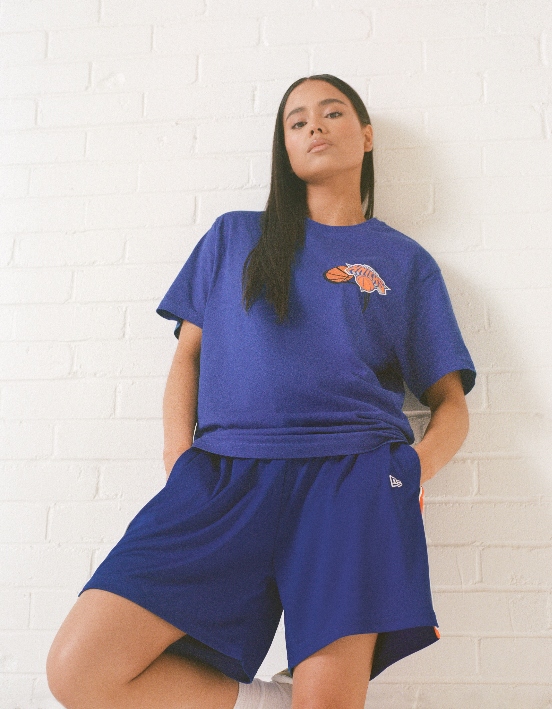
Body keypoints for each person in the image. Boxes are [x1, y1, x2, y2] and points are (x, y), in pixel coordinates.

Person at [46, 74, 476, 709]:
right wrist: (178, 455)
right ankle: (263, 701)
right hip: (223, 478)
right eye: (296, 122)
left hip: (351, 483)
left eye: (331, 113)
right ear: (285, 147)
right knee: (81, 671)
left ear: (366, 135)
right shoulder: (234, 237)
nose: (314, 126)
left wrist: (411, 468)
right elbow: (188, 356)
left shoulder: (406, 262)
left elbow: (450, 401)